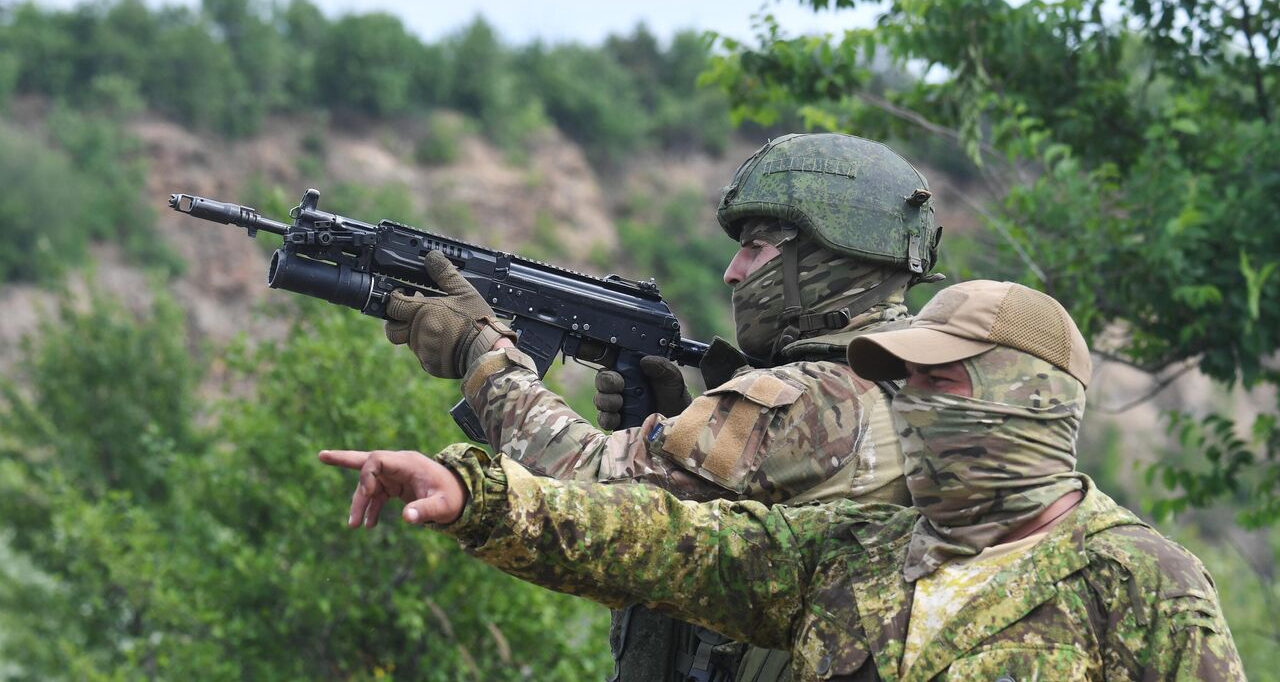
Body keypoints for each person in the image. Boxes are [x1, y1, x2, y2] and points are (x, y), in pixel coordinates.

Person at [322, 280, 1245, 681]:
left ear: (1027, 397)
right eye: (900, 380)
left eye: (937, 379)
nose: (908, 403)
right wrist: (479, 494)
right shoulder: (855, 550)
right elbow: (654, 543)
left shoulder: (1140, 584)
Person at [379, 133, 943, 681]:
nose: (733, 272)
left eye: (757, 248)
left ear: (828, 258)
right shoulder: (911, 379)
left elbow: (592, 498)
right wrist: (678, 427)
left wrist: (486, 357)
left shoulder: (813, 395)